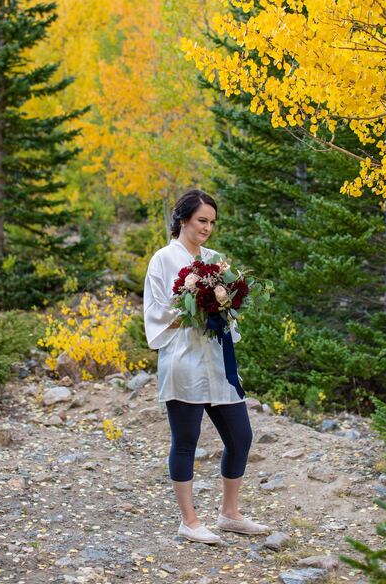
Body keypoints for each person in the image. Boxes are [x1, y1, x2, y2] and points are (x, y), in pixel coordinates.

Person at [143, 188, 269, 544]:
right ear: (182, 219)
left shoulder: (216, 259)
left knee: (241, 437)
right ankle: (189, 520)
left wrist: (224, 305)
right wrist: (190, 308)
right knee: (186, 440)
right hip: (182, 359)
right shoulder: (163, 259)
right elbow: (154, 311)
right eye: (202, 220)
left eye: (212, 222)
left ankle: (229, 514)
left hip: (217, 358)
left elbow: (228, 308)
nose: (207, 228)